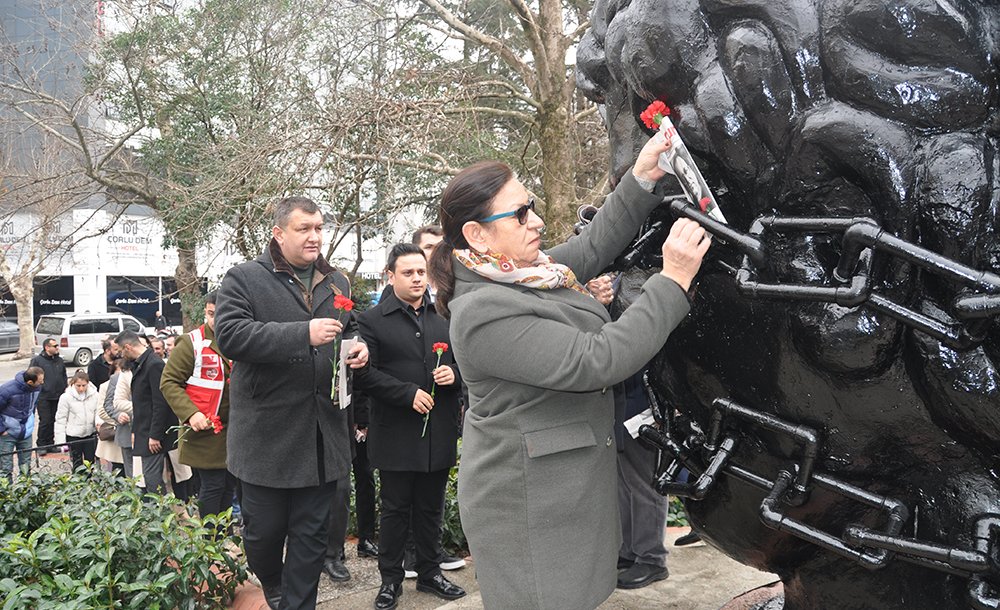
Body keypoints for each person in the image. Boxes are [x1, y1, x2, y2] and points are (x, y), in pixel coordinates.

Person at [427, 133, 709, 609]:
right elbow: (596, 361)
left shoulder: (522, 272)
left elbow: (593, 245)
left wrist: (643, 175)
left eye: (530, 205)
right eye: (519, 214)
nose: (535, 220)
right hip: (530, 508)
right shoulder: (480, 311)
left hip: (562, 494)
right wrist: (673, 279)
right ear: (477, 235)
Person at [215, 196, 370, 610]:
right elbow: (229, 336)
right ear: (279, 233)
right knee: (263, 535)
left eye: (319, 228)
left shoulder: (338, 281)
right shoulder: (244, 278)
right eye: (304, 229)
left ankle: (297, 603)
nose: (315, 236)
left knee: (311, 538)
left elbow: (350, 328)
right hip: (267, 440)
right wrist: (301, 332)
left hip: (322, 440)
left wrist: (358, 349)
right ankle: (273, 584)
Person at [354, 243, 466, 610]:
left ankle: (431, 573)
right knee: (396, 509)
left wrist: (456, 374)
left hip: (438, 431)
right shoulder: (371, 321)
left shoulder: (444, 317)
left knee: (431, 507)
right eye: (408, 273)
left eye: (421, 272)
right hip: (396, 433)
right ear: (391, 276)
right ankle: (390, 581)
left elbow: (468, 363)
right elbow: (365, 376)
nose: (417, 279)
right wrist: (406, 393)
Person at [160, 291, 236, 523]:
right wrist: (191, 413)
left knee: (227, 488)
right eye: (210, 314)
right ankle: (209, 544)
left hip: (236, 430)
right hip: (205, 430)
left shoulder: (238, 337)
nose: (214, 320)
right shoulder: (191, 342)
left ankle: (224, 537)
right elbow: (169, 382)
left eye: (219, 314)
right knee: (212, 487)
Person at [115, 330, 177, 495]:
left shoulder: (154, 364)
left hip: (153, 433)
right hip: (144, 430)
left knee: (152, 479)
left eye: (121, 351)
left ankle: (161, 515)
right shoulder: (143, 363)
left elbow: (160, 403)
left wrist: (155, 435)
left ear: (128, 347)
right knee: (150, 478)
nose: (120, 355)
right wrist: (136, 430)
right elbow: (141, 404)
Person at [0, 367, 44, 482]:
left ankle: (25, 493)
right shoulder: (7, 390)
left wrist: (30, 422)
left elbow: (32, 406)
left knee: (25, 466)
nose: (42, 383)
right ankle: (6, 496)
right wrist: (2, 430)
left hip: (26, 433)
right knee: (5, 468)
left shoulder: (37, 388)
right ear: (30, 382)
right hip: (8, 434)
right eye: (40, 381)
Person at [54, 370, 99, 473]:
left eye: (84, 385)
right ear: (73, 384)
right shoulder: (65, 397)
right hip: (73, 435)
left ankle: (90, 484)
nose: (81, 388)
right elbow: (61, 419)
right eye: (78, 385)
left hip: (90, 433)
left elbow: (98, 412)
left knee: (90, 462)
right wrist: (61, 442)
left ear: (88, 384)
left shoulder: (95, 395)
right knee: (77, 463)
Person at [29, 338, 67, 454]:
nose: (57, 348)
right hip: (44, 396)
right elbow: (31, 375)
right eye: (54, 346)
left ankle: (50, 444)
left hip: (58, 396)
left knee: (54, 420)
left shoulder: (59, 360)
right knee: (45, 420)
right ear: (47, 347)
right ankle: (41, 445)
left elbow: (63, 375)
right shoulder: (38, 361)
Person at [95, 359, 125, 475]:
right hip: (115, 432)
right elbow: (102, 410)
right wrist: (119, 418)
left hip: (132, 434)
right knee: (118, 470)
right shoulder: (105, 387)